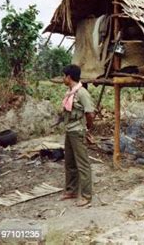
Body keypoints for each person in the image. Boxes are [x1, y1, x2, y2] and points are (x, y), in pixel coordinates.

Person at [61, 64, 95, 206]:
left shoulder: (82, 93)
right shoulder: (70, 92)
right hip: (69, 130)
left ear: (69, 77)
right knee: (69, 162)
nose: (63, 78)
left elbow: (90, 113)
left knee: (82, 164)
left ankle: (86, 196)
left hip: (77, 131)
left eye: (64, 76)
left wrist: (87, 128)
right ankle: (71, 190)